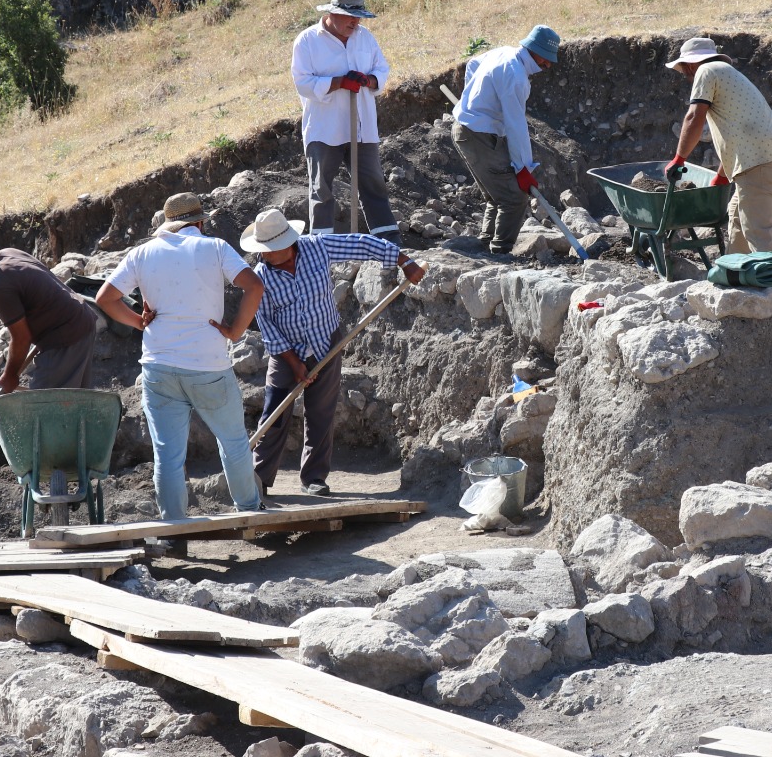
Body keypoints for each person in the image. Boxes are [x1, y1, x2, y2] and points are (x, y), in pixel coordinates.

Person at [94, 192, 265, 519]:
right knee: (232, 442)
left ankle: (174, 524)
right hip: (208, 365)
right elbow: (254, 287)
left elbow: (105, 298)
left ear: (168, 224)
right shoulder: (214, 247)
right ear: (200, 222)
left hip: (159, 367)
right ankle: (249, 510)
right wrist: (235, 331)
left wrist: (139, 323)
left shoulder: (142, 253)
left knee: (168, 455)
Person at [240, 208, 424, 496]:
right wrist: (294, 362)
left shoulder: (317, 247)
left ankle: (314, 478)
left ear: (287, 244)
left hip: (326, 341)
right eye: (261, 250)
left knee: (321, 412)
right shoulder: (259, 277)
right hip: (286, 351)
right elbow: (267, 325)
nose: (263, 255)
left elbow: (362, 244)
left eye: (269, 250)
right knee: (275, 413)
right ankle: (258, 479)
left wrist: (404, 261)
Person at [663, 36, 772, 255]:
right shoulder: (725, 73)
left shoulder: (706, 71)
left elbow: (694, 117)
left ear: (691, 63)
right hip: (766, 158)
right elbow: (738, 132)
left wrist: (679, 159)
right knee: (736, 218)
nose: (685, 75)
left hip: (760, 162)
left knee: (757, 230)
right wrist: (723, 175)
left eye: (683, 69)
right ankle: (735, 275)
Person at [290, 0, 398, 238]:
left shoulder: (365, 38)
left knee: (373, 184)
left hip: (362, 126)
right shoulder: (307, 41)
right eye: (350, 16)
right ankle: (322, 246)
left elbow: (382, 69)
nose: (356, 21)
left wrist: (369, 80)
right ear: (333, 14)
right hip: (324, 127)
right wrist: (338, 82)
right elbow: (302, 83)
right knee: (322, 188)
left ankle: (388, 243)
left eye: (359, 16)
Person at [450, 25, 561, 255]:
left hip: (469, 130)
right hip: (478, 135)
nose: (547, 65)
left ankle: (485, 244)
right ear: (534, 50)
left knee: (497, 195)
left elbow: (472, 64)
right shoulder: (516, 76)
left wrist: (471, 100)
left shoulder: (504, 52)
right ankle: (500, 253)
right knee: (514, 199)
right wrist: (523, 168)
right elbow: (515, 125)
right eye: (546, 59)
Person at [0, 236, 100, 393]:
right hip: (80, 320)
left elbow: (21, 338)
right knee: (74, 404)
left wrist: (10, 375)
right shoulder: (7, 254)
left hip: (66, 338)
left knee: (43, 410)